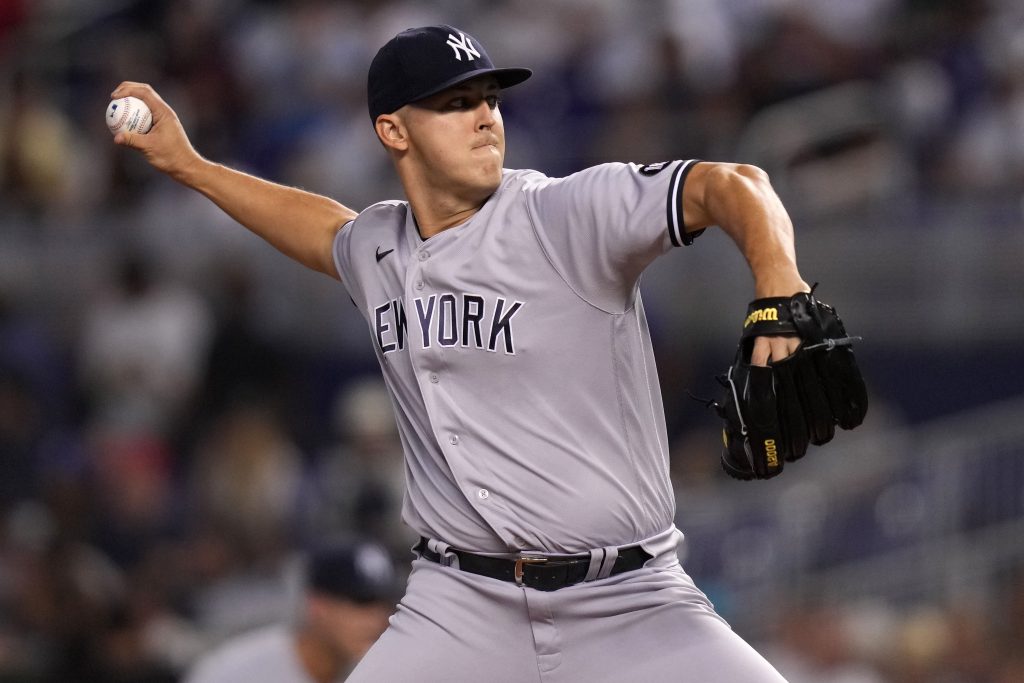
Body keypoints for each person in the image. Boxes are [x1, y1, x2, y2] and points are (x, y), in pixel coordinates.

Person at [111, 23, 825, 682]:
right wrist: (189, 164)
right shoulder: (379, 246)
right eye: (455, 103)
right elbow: (320, 227)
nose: (486, 116)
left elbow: (734, 184)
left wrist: (781, 287)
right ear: (393, 130)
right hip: (461, 603)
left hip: (632, 599)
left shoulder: (563, 215)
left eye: (489, 97)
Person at [183, 540, 398, 683]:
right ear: (318, 606)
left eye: (384, 603)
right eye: (361, 602)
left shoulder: (387, 674)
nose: (377, 619)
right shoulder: (233, 674)